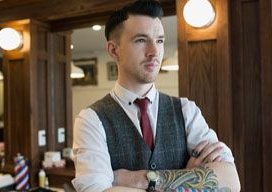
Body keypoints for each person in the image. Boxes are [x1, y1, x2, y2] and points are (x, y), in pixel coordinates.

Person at [72, 1, 240, 192]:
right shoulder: (91, 120)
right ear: (113, 50)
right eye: (141, 40)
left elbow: (230, 182)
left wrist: (141, 180)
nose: (154, 52)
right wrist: (186, 177)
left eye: (159, 40)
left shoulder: (186, 111)